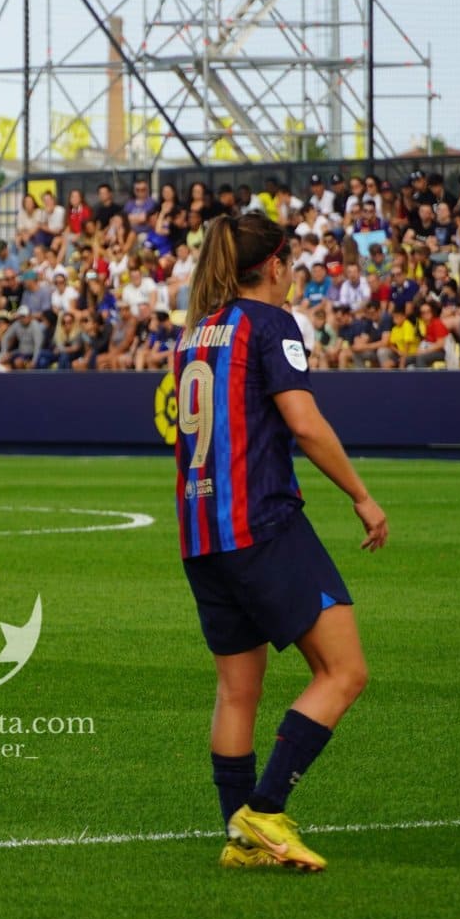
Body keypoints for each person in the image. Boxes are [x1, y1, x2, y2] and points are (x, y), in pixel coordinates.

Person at [173, 211, 387, 873]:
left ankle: (240, 842)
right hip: (260, 522)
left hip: (201, 531)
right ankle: (263, 812)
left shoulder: (195, 332)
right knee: (344, 671)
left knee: (237, 691)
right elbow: (305, 422)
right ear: (274, 264)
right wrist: (361, 494)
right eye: (289, 262)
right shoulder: (269, 323)